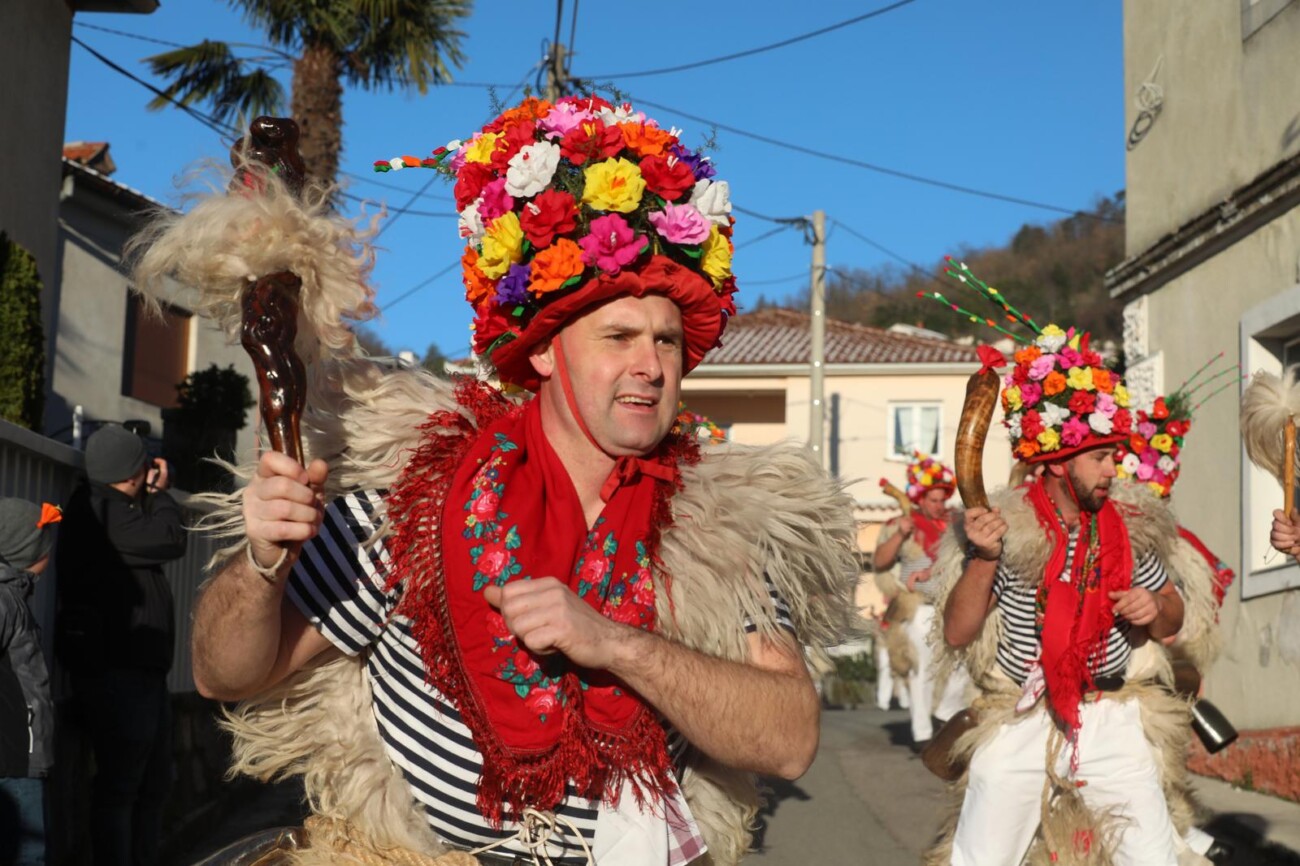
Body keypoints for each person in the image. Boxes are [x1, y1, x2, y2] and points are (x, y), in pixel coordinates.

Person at [163, 94, 857, 866]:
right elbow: (223, 674)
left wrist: (615, 644)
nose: (651, 366)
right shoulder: (406, 500)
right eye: (618, 336)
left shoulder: (725, 525)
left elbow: (788, 740)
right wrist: (262, 568)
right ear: (543, 352)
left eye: (667, 342)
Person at [923, 325, 1196, 866]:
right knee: (981, 859)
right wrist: (985, 558)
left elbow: (1172, 619)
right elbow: (957, 632)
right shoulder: (1007, 530)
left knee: (1154, 859)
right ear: (1055, 461)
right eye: (1099, 458)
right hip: (1019, 719)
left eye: (1113, 457)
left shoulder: (1132, 527)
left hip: (1112, 716)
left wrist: (1155, 607)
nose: (1112, 471)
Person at [56, 425, 187, 866]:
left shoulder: (111, 508)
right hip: (119, 674)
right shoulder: (102, 512)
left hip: (139, 673)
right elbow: (171, 537)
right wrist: (162, 494)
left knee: (152, 786)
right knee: (122, 790)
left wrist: (147, 494)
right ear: (133, 472)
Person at [873, 453, 970, 746]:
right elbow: (880, 561)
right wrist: (899, 536)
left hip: (953, 606)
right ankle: (923, 733)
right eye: (933, 500)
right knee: (921, 669)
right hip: (920, 609)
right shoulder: (902, 524)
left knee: (961, 665)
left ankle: (944, 713)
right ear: (920, 499)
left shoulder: (955, 523)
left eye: (942, 499)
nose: (939, 505)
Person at [0, 499, 61, 866]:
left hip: (19, 755)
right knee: (28, 853)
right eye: (45, 544)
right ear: (26, 552)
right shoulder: (5, 599)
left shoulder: (13, 595)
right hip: (12, 758)